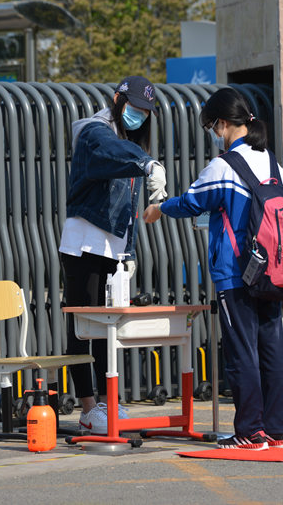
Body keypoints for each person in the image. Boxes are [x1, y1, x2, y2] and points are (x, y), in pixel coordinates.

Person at [143, 87, 283, 450]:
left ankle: (250, 432)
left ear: (223, 124)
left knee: (242, 352)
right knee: (271, 350)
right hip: (271, 271)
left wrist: (159, 208)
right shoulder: (275, 165)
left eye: (212, 126)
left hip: (236, 272)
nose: (213, 133)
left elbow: (193, 202)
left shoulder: (224, 166)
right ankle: (278, 432)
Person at [60, 75, 168, 435]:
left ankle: (109, 400)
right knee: (83, 327)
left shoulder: (128, 140)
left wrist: (129, 250)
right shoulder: (95, 131)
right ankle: (88, 407)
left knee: (109, 328)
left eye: (145, 112)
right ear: (118, 101)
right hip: (84, 242)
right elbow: (109, 150)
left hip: (113, 248)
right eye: (134, 108)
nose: (139, 116)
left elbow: (129, 208)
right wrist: (148, 164)